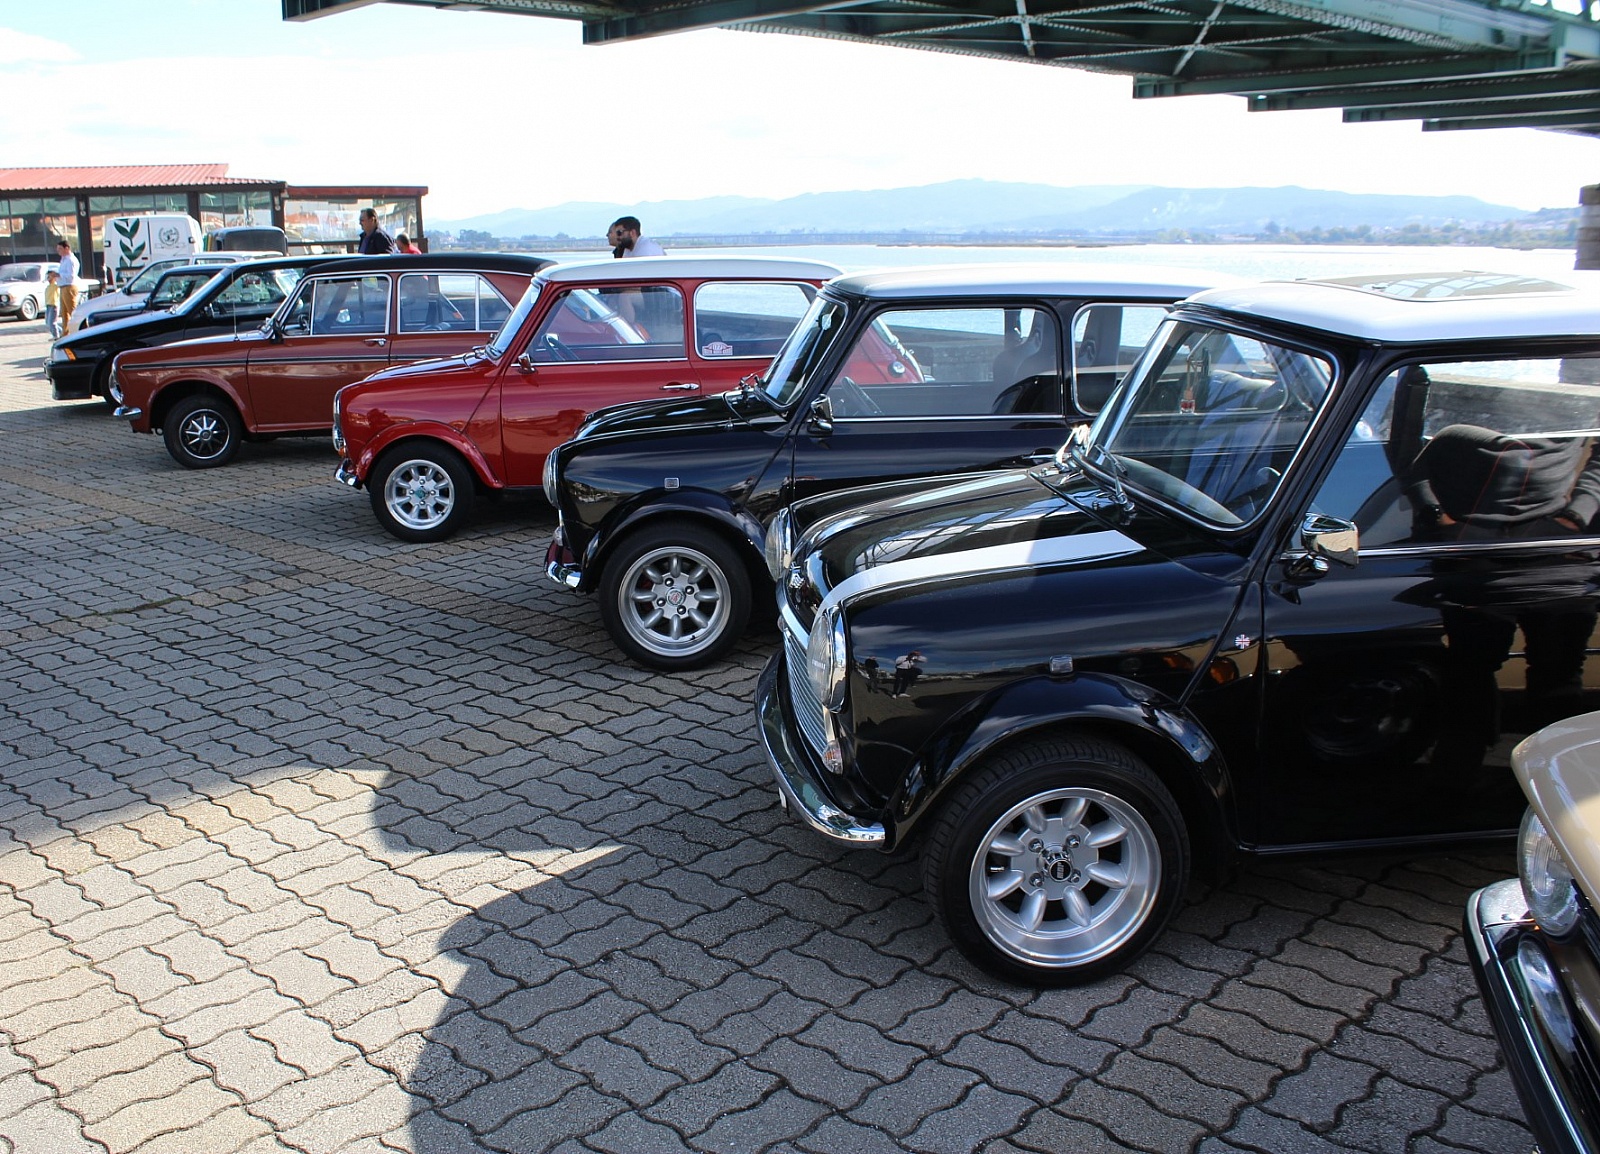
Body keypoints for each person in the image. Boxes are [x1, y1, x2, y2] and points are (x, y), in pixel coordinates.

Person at [55, 241, 79, 333]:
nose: (58, 251)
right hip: (62, 287)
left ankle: (78, 330)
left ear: (67, 248)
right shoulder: (63, 260)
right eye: (57, 249)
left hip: (69, 287)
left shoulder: (70, 260)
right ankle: (66, 334)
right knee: (64, 314)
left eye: (60, 249)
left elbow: (71, 276)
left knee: (72, 312)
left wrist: (58, 275)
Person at [43, 270, 60, 338]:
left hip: (53, 305)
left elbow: (59, 280)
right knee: (48, 322)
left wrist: (55, 276)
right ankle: (61, 332)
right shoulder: (48, 287)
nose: (48, 278)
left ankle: (56, 336)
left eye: (50, 276)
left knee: (52, 323)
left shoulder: (56, 286)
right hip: (48, 306)